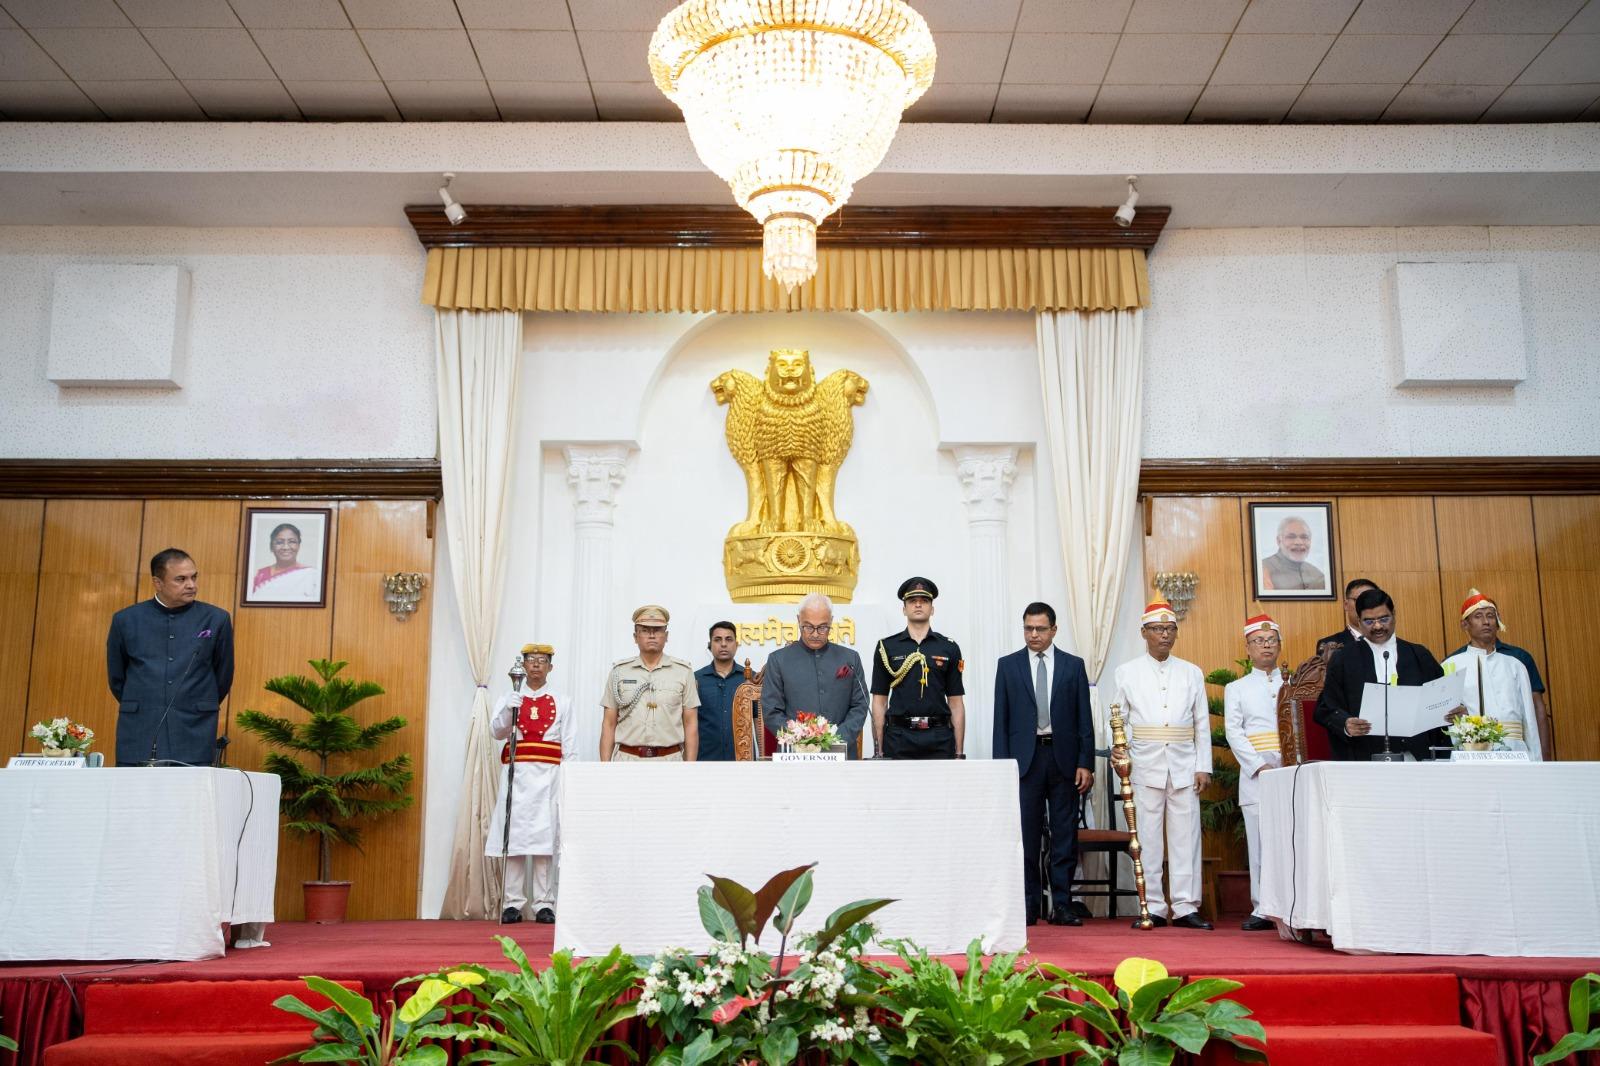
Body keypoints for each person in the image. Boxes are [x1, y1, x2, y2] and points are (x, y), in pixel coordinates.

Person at [1112, 601, 1211, 930]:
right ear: (1144, 633)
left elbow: (1201, 723)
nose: (1164, 635)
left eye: (1169, 630)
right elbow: (1118, 719)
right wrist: (1121, 753)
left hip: (1185, 763)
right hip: (1144, 764)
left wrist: (1204, 766)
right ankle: (1152, 904)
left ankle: (1185, 906)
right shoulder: (1127, 671)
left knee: (1186, 838)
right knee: (1149, 838)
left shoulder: (1191, 671)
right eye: (1157, 629)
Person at [993, 602, 1093, 927]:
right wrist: (1002, 767)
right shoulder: (1008, 666)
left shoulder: (1073, 666)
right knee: (1026, 836)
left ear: (1053, 629)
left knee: (1065, 835)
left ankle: (1062, 905)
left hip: (1063, 759)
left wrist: (1085, 763)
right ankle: (1028, 905)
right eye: (1028, 628)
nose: (1033, 634)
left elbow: (1084, 720)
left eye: (1039, 629)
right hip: (1024, 761)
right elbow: (1001, 722)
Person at [107, 547, 235, 766]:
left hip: (195, 726)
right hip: (140, 726)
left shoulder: (216, 619)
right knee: (135, 796)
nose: (191, 585)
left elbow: (222, 676)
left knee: (190, 797)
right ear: (158, 583)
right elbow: (117, 678)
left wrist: (196, 701)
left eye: (194, 577)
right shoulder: (126, 620)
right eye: (181, 579)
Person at [1314, 587, 1445, 761]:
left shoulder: (1419, 654)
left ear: (1394, 615)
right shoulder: (1343, 659)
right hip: (1364, 756)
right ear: (1358, 622)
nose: (1377, 626)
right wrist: (1345, 724)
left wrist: (1452, 711)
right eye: (1369, 621)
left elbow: (1441, 699)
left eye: (1384, 619)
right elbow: (1325, 708)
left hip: (1417, 756)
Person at [486, 643, 565, 925]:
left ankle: (544, 903)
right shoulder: (510, 696)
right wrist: (508, 710)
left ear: (550, 667)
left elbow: (571, 742)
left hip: (549, 777)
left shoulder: (562, 700)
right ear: (523, 665)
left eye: (542, 660)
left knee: (545, 840)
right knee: (516, 837)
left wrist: (570, 783)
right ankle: (512, 903)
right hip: (517, 775)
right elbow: (496, 731)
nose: (535, 665)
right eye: (531, 660)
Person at [1223, 615, 1286, 932]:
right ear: (1247, 647)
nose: (1266, 645)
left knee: (1291, 838)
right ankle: (1262, 907)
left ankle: (1292, 905)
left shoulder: (1293, 683)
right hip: (1256, 772)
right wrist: (1258, 764)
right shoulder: (1236, 688)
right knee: (1259, 843)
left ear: (1279, 644)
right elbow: (1234, 732)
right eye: (1259, 641)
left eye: (1271, 640)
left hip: (1291, 770)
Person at [1447, 591, 1552, 761]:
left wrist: (1539, 760)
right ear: (1465, 625)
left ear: (1498, 622)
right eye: (1478, 616)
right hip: (1470, 751)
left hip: (1515, 749)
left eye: (1490, 616)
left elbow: (1530, 717)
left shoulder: (1516, 664)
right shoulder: (1451, 665)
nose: (1486, 621)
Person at [763, 592, 869, 757]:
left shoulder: (850, 658)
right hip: (795, 753)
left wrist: (837, 738)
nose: (815, 633)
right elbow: (771, 711)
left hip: (842, 753)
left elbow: (860, 706)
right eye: (808, 626)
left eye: (822, 627)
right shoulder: (778, 660)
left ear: (831, 622)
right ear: (798, 620)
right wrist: (801, 738)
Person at [870, 577, 966, 760]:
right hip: (899, 738)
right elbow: (879, 702)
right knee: (899, 789)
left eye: (924, 601)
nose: (918, 605)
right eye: (913, 601)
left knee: (940, 789)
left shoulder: (948, 647)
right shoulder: (887, 647)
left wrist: (959, 753)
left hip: (939, 738)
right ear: (904, 609)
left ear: (932, 609)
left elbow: (956, 703)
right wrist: (879, 751)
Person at [600, 605, 701, 761]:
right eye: (645, 630)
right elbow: (608, 723)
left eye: (658, 630)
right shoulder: (619, 672)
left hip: (670, 760)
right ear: (635, 636)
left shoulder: (683, 672)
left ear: (666, 636)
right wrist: (605, 769)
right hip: (627, 760)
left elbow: (690, 723)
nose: (652, 635)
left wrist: (689, 768)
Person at [693, 622, 744, 762]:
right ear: (710, 645)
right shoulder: (695, 679)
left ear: (737, 644)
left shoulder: (750, 679)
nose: (723, 644)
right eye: (717, 639)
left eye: (728, 639)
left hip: (742, 760)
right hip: (705, 759)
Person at [250, 522, 321, 602]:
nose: (286, 547)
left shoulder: (311, 576)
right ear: (271, 547)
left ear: (298, 545)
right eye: (279, 542)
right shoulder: (260, 575)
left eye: (292, 542)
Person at [1259, 515, 1327, 593]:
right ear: (1279, 541)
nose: (1298, 542)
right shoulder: (1262, 570)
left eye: (1304, 537)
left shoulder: (1317, 575)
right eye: (1291, 537)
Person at [1317, 577, 1377, 652]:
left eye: (1370, 600)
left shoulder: (1391, 643)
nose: (1365, 605)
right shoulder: (1328, 645)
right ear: (1346, 605)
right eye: (1359, 600)